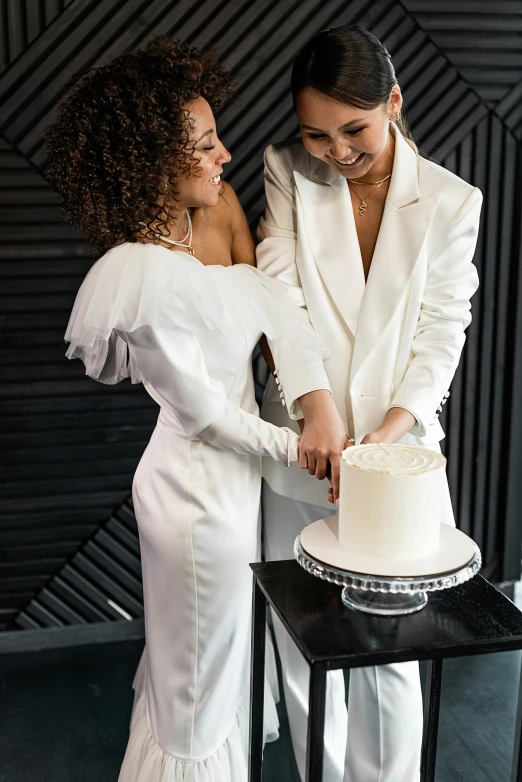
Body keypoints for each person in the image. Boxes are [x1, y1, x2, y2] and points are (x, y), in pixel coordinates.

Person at [45, 36, 346, 781]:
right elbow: (205, 416)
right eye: (207, 145)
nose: (227, 156)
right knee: (196, 688)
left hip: (238, 487)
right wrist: (297, 446)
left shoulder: (220, 212)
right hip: (192, 497)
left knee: (217, 661)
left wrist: (319, 409)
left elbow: (277, 312)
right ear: (153, 163)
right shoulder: (136, 273)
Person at [257, 24, 482, 782]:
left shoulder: (452, 202)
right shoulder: (286, 170)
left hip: (398, 457)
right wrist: (313, 405)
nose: (337, 151)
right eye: (316, 134)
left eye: (353, 129)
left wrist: (385, 441)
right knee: (302, 635)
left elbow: (442, 331)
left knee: (392, 645)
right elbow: (279, 294)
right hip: (303, 445)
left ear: (393, 102)